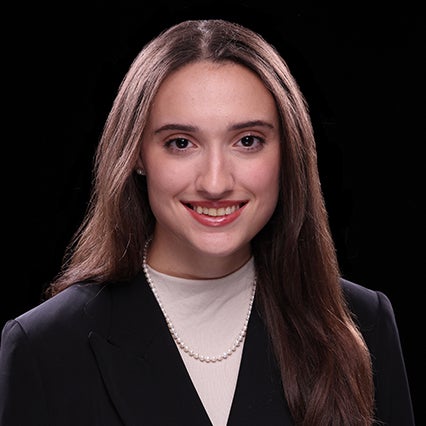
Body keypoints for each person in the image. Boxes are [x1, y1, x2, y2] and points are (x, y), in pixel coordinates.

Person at [0, 19, 415, 426]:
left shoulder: (363, 324)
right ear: (137, 155)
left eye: (247, 141)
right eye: (181, 143)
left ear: (288, 152)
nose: (215, 183)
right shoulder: (45, 348)